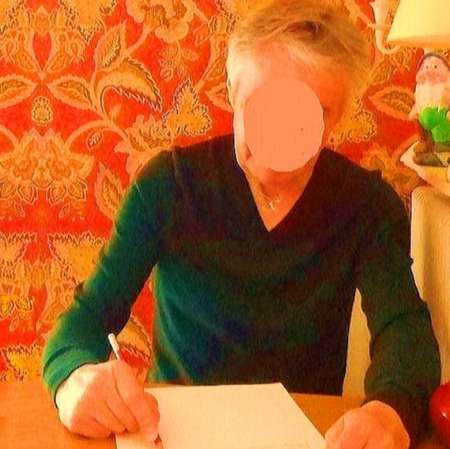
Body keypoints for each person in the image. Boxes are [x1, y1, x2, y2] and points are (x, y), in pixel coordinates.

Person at [42, 1, 441, 449]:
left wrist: (389, 410)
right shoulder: (169, 186)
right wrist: (73, 379)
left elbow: (404, 329)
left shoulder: (366, 204)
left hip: (303, 435)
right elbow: (83, 321)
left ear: (336, 119)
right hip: (170, 433)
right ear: (233, 92)